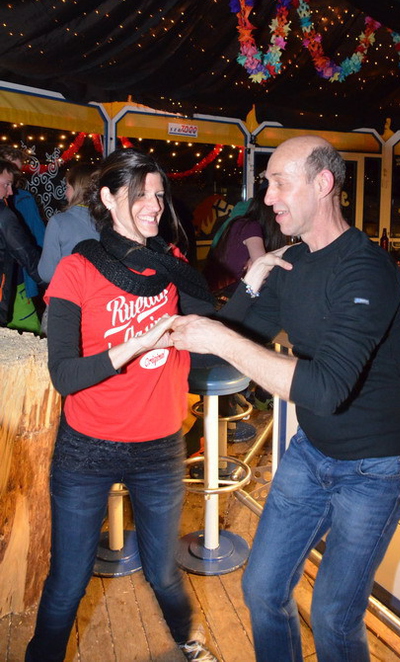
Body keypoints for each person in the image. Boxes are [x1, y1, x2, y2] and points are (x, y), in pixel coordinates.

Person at [170, 135, 400, 662]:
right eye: (267, 184)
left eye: (280, 182)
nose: (268, 197)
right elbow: (219, 351)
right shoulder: (292, 263)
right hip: (312, 452)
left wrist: (220, 339)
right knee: (262, 590)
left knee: (332, 617)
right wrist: (253, 279)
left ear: (323, 183)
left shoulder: (367, 269)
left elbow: (325, 389)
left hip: (375, 467)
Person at [25, 147, 240, 662]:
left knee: (163, 573)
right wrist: (136, 343)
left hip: (159, 448)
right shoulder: (78, 269)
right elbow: (64, 375)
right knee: (68, 581)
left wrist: (253, 285)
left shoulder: (172, 265)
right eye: (140, 194)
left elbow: (214, 330)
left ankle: (188, 644)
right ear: (107, 197)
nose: (153, 206)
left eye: (159, 196)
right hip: (86, 448)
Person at [203, 186, 285, 297]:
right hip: (227, 297)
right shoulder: (250, 226)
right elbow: (262, 268)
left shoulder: (241, 223)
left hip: (217, 293)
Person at [38, 162, 100, 283]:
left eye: (67, 187)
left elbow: (47, 273)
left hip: (70, 290)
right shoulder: (112, 220)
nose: (65, 193)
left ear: (78, 190)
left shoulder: (59, 222)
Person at [0, 157, 43, 327]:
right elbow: (26, 253)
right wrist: (51, 282)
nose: (10, 192)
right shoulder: (3, 215)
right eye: (6, 185)